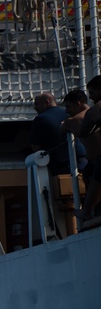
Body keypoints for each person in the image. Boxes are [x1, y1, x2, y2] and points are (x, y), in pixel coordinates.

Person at [62, 89, 101, 219]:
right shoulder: (96, 114)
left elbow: (62, 128)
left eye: (68, 106)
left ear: (78, 104)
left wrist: (65, 123)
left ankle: (88, 213)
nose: (66, 111)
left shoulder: (74, 120)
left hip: (96, 161)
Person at [32, 92, 85, 176]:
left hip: (61, 166)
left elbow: (36, 147)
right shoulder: (70, 114)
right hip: (82, 161)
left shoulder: (40, 119)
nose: (35, 108)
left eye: (37, 104)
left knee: (66, 188)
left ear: (47, 102)